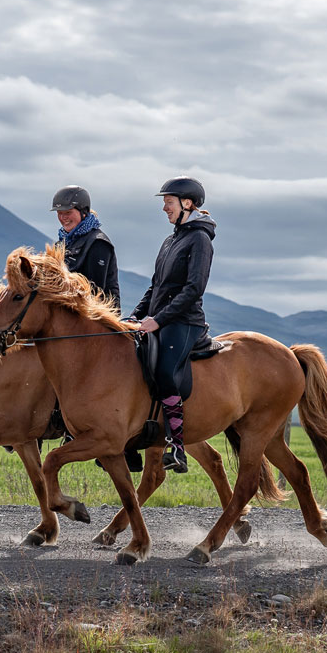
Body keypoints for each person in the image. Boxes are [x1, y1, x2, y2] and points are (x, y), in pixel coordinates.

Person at [130, 176, 215, 472]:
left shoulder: (199, 239)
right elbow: (155, 287)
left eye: (168, 202)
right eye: (165, 202)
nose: (164, 208)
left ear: (187, 203)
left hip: (184, 321)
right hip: (159, 319)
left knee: (166, 371)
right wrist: (135, 316)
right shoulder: (172, 239)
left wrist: (159, 320)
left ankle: (177, 446)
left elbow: (194, 289)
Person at [51, 185, 120, 309]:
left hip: (97, 320)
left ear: (83, 212)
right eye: (59, 213)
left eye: (68, 212)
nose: (63, 217)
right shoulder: (60, 245)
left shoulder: (98, 243)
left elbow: (94, 292)